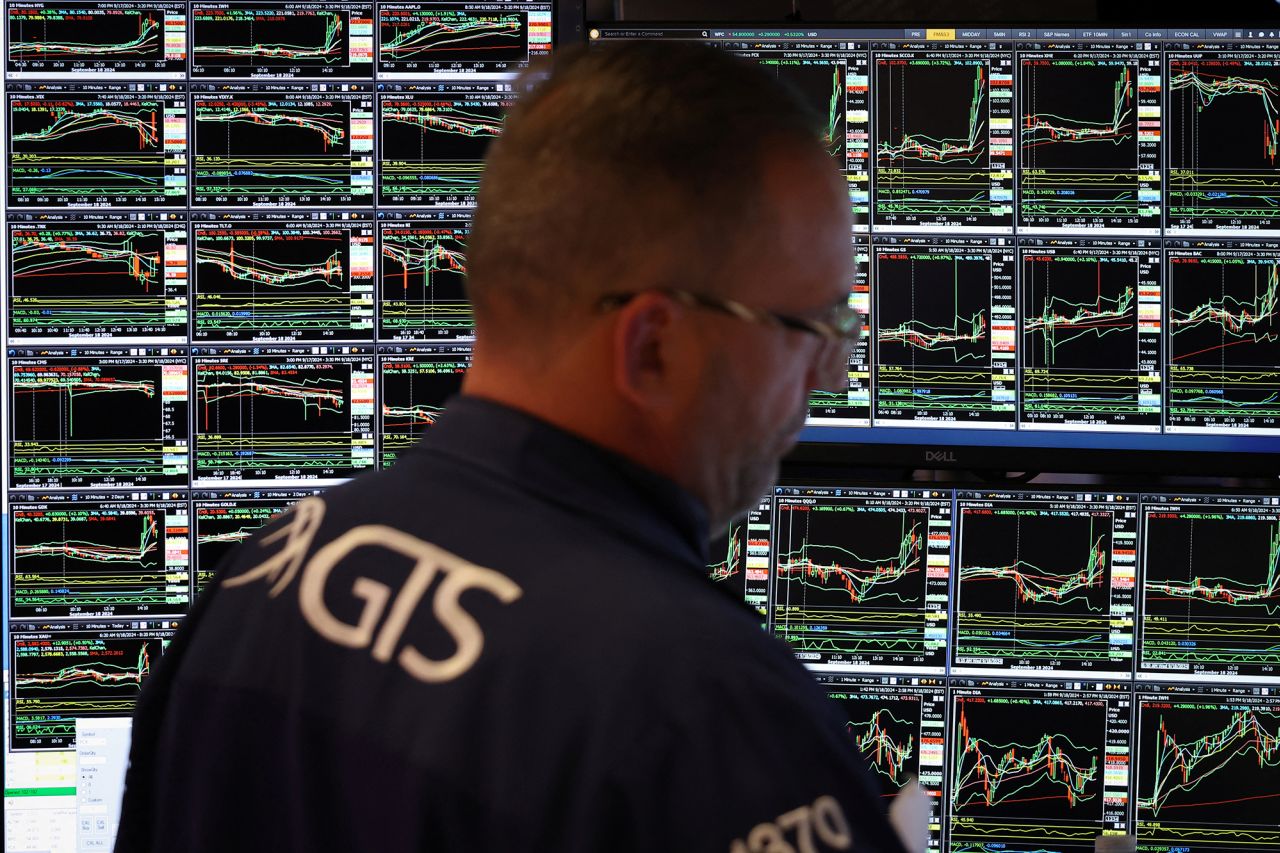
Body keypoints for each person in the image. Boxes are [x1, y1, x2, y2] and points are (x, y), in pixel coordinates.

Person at [115, 42, 911, 852]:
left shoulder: (258, 582)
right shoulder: (700, 710)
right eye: (813, 330)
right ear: (654, 348)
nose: (829, 376)